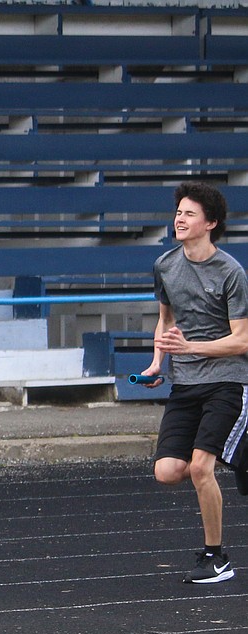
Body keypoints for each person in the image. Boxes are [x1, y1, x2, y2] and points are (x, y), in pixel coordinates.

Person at [139, 181, 248, 584]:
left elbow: (243, 340)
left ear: (210, 223)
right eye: (178, 212)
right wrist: (156, 364)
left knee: (202, 468)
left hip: (228, 380)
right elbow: (166, 323)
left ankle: (216, 558)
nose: (179, 219)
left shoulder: (231, 272)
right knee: (167, 471)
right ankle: (239, 453)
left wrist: (192, 348)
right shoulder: (166, 265)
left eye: (188, 214)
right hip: (185, 383)